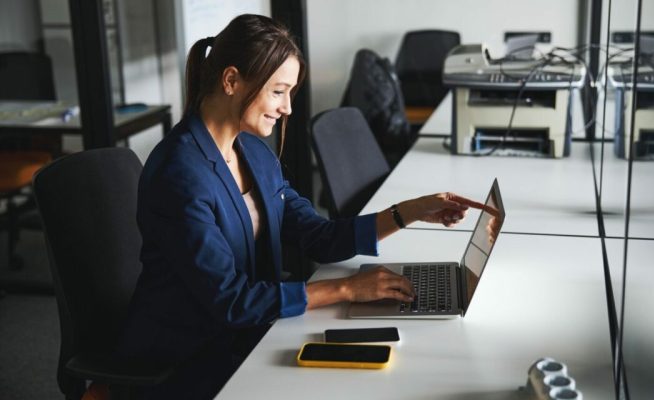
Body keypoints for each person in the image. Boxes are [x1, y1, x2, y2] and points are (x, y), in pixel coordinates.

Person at [116, 14, 484, 399]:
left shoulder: (252, 152)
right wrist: (345, 289)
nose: (288, 107)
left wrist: (409, 211)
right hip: (193, 359)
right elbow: (231, 300)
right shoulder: (180, 174)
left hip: (255, 333)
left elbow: (318, 237)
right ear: (231, 81)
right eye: (278, 91)